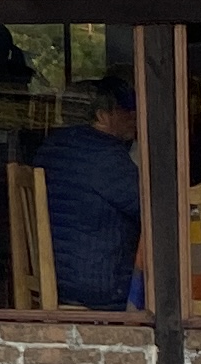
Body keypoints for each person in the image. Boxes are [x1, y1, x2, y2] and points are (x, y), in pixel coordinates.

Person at [27, 85, 144, 308]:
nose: (135, 118)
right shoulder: (106, 156)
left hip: (51, 275)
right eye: (128, 112)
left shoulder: (52, 144)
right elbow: (152, 209)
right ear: (103, 116)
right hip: (95, 284)